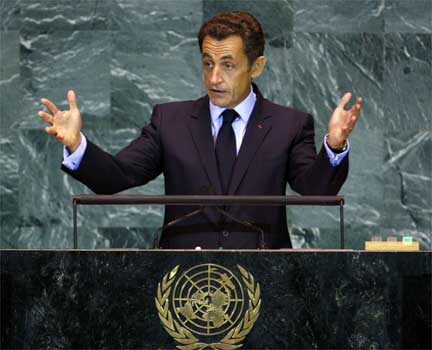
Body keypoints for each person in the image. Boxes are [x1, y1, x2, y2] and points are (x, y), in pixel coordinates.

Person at [38, 11, 362, 249]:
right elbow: (116, 176)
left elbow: (316, 190)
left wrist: (334, 146)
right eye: (208, 63)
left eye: (227, 65)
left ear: (257, 66)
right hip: (181, 286)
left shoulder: (289, 124)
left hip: (266, 284)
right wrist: (77, 143)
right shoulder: (170, 121)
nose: (214, 78)